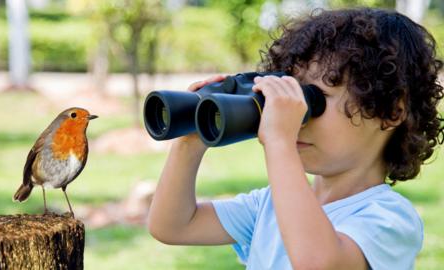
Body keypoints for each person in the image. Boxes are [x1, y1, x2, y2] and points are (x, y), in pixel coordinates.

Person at [147, 8, 443, 269]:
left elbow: (317, 262)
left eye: (313, 99)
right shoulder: (269, 205)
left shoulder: (390, 218)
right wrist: (191, 139)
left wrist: (279, 142)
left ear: (390, 111)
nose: (296, 117)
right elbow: (171, 226)